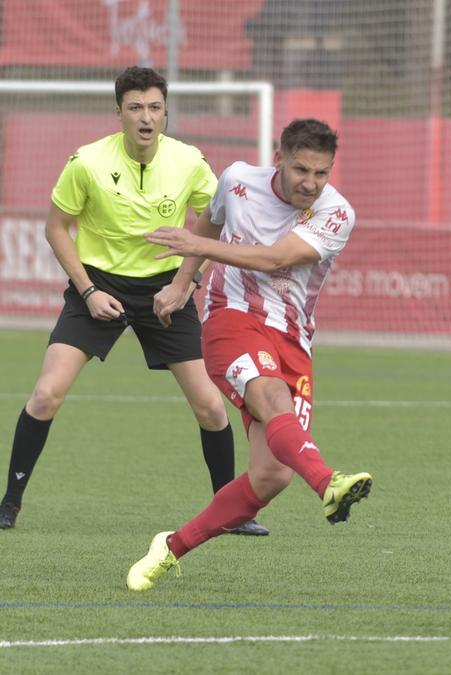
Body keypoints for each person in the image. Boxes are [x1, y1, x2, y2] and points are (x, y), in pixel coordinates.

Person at [0, 66, 266, 537]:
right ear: (119, 113)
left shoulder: (189, 162)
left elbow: (219, 224)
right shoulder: (87, 162)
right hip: (98, 286)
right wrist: (88, 290)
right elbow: (55, 228)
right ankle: (9, 505)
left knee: (210, 407)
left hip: (167, 287)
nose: (147, 117)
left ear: (166, 113)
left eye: (155, 107)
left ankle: (232, 514)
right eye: (136, 107)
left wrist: (184, 285)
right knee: (46, 394)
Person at [125, 119, 372, 591]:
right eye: (301, 169)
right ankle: (328, 484)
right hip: (230, 319)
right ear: (278, 159)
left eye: (322, 173)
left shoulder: (337, 212)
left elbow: (276, 258)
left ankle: (171, 547)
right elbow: (210, 219)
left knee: (271, 477)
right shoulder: (237, 179)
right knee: (272, 401)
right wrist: (182, 283)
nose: (311, 183)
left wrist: (197, 246)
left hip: (293, 340)